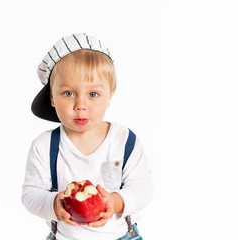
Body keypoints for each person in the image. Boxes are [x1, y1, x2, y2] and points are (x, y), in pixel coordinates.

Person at [22, 33, 154, 240]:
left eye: (93, 94)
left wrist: (116, 201)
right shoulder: (45, 146)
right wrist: (54, 203)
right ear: (52, 97)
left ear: (110, 95)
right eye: (68, 93)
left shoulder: (124, 140)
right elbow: (30, 195)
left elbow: (143, 188)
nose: (80, 105)